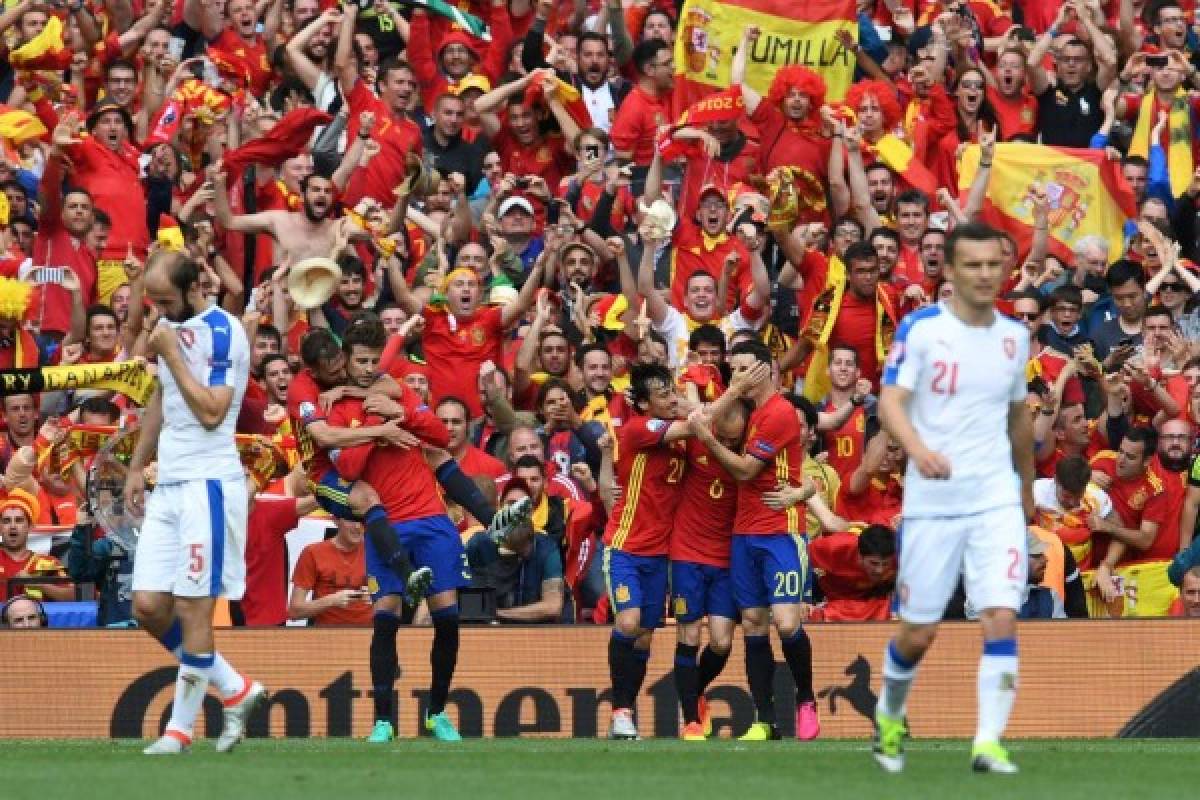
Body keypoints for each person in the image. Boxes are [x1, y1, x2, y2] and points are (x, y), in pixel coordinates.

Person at [876, 222, 1033, 774]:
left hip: (994, 498)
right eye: (973, 265)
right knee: (919, 631)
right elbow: (889, 401)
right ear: (951, 270)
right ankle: (890, 712)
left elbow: (1018, 418)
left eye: (994, 264)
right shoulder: (921, 330)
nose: (985, 274)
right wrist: (916, 449)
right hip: (932, 500)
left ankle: (988, 742)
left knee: (999, 615)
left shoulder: (1016, 337)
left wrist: (1027, 487)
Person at [123, 251, 266, 755]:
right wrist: (139, 465)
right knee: (147, 605)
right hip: (171, 483)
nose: (159, 312)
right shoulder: (168, 326)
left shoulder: (224, 332)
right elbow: (162, 397)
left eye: (165, 302)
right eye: (153, 303)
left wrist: (172, 353)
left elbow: (211, 411)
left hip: (209, 484)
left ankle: (178, 732)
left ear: (192, 291)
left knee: (192, 608)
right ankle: (235, 688)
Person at [322, 314, 479, 743]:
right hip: (386, 525)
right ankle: (383, 721)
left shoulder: (399, 391)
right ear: (347, 361)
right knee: (385, 618)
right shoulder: (340, 409)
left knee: (447, 617)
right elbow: (351, 467)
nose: (369, 369)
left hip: (429, 518)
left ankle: (436, 713)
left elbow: (439, 436)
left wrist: (403, 412)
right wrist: (379, 429)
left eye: (375, 361)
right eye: (361, 362)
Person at [688, 341, 821, 742]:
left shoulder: (780, 413)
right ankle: (765, 720)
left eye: (746, 369)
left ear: (766, 370)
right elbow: (706, 418)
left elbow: (746, 471)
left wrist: (708, 441)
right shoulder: (746, 412)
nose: (739, 377)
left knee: (786, 621)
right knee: (752, 624)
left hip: (780, 529)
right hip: (744, 532)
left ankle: (807, 699)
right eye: (735, 370)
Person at [602, 363, 691, 740]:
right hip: (624, 546)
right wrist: (722, 396)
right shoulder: (638, 429)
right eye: (662, 393)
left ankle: (624, 714)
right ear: (642, 403)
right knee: (628, 622)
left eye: (673, 390)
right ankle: (620, 711)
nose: (671, 397)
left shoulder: (679, 439)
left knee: (644, 637)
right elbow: (691, 423)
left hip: (660, 555)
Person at [670, 400, 746, 740]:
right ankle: (691, 721)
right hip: (687, 553)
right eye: (723, 438)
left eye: (735, 440)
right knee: (688, 634)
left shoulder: (748, 458)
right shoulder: (694, 438)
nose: (728, 446)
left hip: (726, 557)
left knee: (721, 641)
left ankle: (695, 689)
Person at [288, 518, 374, 626]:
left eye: (362, 520)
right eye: (351, 520)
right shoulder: (313, 552)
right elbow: (294, 611)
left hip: (370, 633)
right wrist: (332, 601)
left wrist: (377, 598)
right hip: (327, 635)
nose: (357, 526)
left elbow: (391, 604)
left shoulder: (377, 552)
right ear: (335, 520)